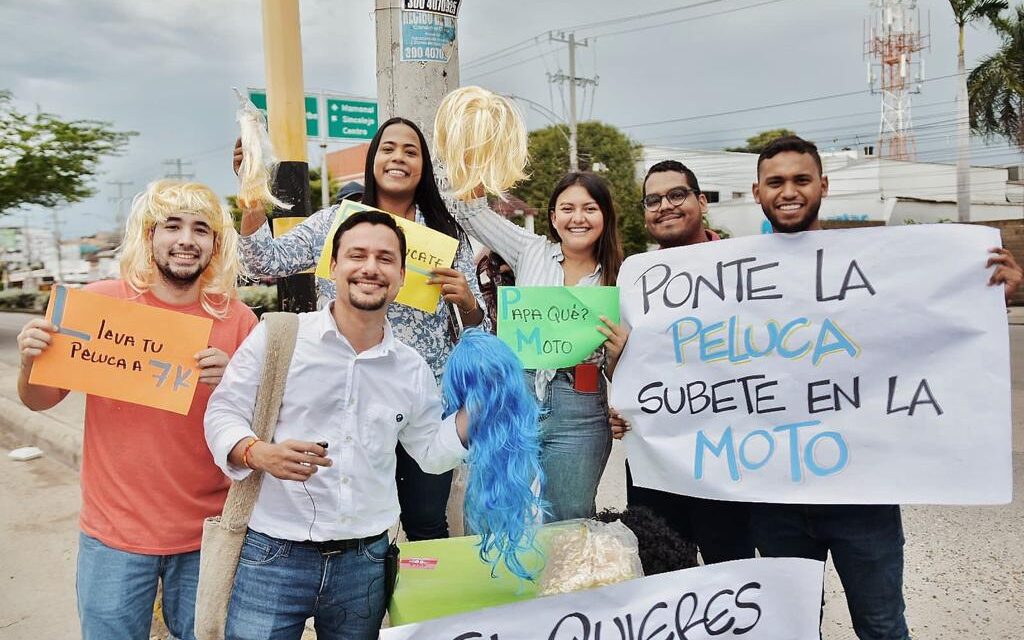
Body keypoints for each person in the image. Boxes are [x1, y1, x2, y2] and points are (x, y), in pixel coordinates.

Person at [747, 135, 1023, 640]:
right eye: (776, 182)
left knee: (880, 626)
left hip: (863, 496)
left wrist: (987, 300)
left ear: (823, 186)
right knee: (791, 627)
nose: (789, 191)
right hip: (775, 497)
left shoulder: (876, 264)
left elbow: (920, 328)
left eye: (801, 179)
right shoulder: (731, 277)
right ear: (756, 191)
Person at [205, 211, 471, 640]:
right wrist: (259, 453)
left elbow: (430, 452)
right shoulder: (280, 337)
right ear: (332, 266)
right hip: (273, 554)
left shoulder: (410, 368)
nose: (370, 267)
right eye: (357, 255)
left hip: (363, 563)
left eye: (385, 258)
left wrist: (475, 415)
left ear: (402, 276)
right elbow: (222, 412)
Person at [16, 180, 258, 640]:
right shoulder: (100, 304)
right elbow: (39, 401)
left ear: (216, 244)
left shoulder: (238, 319)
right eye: (172, 226)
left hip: (207, 533)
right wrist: (30, 361)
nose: (186, 239)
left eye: (201, 229)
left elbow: (261, 425)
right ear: (150, 237)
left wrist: (236, 380)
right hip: (113, 534)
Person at [233, 117, 487, 541]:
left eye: (411, 151)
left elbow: (482, 329)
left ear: (423, 166)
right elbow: (261, 263)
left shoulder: (444, 233)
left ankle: (425, 608)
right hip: (342, 396)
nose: (398, 158)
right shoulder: (337, 223)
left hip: (421, 401)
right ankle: (354, 596)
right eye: (388, 148)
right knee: (343, 524)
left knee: (426, 523)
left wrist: (470, 304)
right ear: (372, 160)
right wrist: (252, 191)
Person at [455, 171, 627, 522]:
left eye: (589, 208)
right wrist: (470, 153)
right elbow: (470, 212)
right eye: (567, 208)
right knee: (493, 513)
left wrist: (618, 351)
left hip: (580, 406)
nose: (578, 218)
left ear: (605, 215)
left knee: (569, 521)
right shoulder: (529, 249)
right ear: (552, 217)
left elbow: (618, 373)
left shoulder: (621, 277)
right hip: (516, 396)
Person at [610, 160, 756, 566]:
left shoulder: (744, 267)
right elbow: (619, 364)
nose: (665, 206)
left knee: (731, 573)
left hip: (725, 460)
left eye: (677, 195)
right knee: (661, 575)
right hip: (656, 460)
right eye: (653, 200)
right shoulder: (634, 277)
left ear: (701, 201)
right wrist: (617, 406)